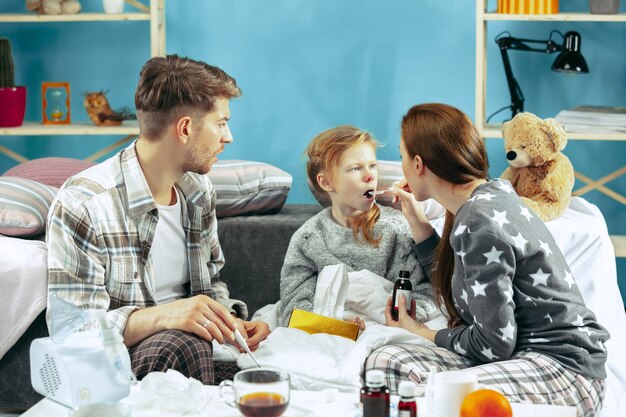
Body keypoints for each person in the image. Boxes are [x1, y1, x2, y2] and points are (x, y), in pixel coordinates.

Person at [364, 103, 609, 416]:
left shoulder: (478, 220)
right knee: (386, 362)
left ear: (418, 164)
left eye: (401, 157)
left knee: (438, 393)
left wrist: (423, 332)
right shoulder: (490, 195)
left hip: (565, 370)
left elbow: (494, 345)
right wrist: (420, 225)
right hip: (525, 356)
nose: (402, 167)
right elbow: (467, 284)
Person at [46, 54, 270, 385]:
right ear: (185, 128)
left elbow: (211, 282)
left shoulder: (198, 192)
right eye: (221, 123)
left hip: (197, 358)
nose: (228, 136)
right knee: (180, 343)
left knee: (280, 372)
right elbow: (72, 331)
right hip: (117, 364)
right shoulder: (84, 203)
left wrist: (229, 321)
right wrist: (168, 316)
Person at [279, 125, 439, 327]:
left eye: (372, 165)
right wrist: (337, 327)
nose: (370, 176)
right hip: (329, 334)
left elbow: (425, 293)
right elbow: (294, 312)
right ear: (326, 182)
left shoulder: (396, 228)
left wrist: (398, 323)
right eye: (356, 168)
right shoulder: (308, 238)